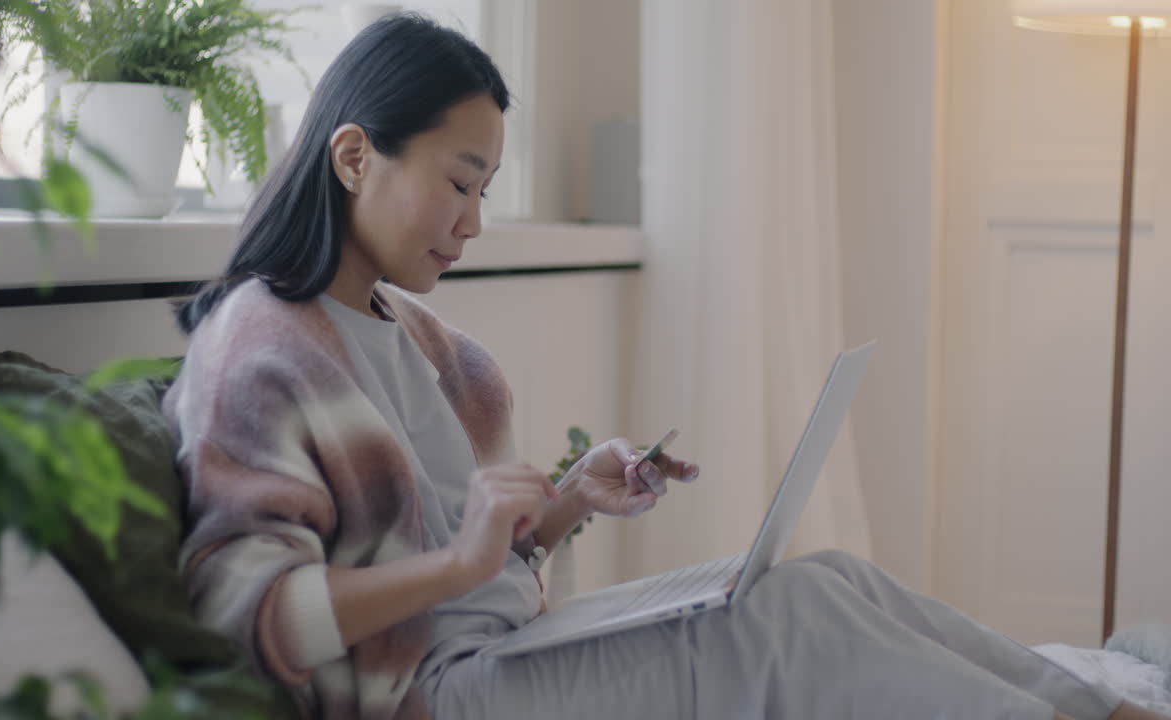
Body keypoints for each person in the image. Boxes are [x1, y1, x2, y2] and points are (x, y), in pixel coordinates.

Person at [164, 13, 1167, 720]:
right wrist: (461, 561)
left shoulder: (420, 340)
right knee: (787, 627)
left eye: (487, 188)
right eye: (458, 183)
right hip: (430, 697)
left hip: (502, 653)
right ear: (353, 158)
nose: (473, 221)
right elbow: (247, 614)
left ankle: (1102, 706)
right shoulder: (260, 349)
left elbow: (483, 567)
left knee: (822, 581)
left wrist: (564, 504)